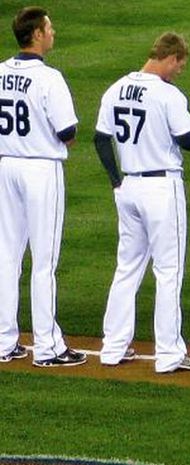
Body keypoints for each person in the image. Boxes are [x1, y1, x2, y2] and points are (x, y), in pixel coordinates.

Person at [94, 32, 190, 373]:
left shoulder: (115, 88)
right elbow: (189, 141)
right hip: (160, 188)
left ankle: (112, 347)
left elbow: (100, 139)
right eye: (180, 66)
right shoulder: (167, 94)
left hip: (127, 187)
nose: (179, 72)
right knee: (168, 271)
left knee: (127, 267)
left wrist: (116, 180)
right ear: (170, 58)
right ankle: (169, 354)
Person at [0, 7, 85, 367]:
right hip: (40, 169)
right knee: (44, 262)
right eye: (49, 27)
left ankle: (3, 341)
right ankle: (48, 347)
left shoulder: (0, 71)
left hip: (5, 166)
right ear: (36, 34)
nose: (53, 32)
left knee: (6, 256)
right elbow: (67, 132)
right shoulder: (49, 78)